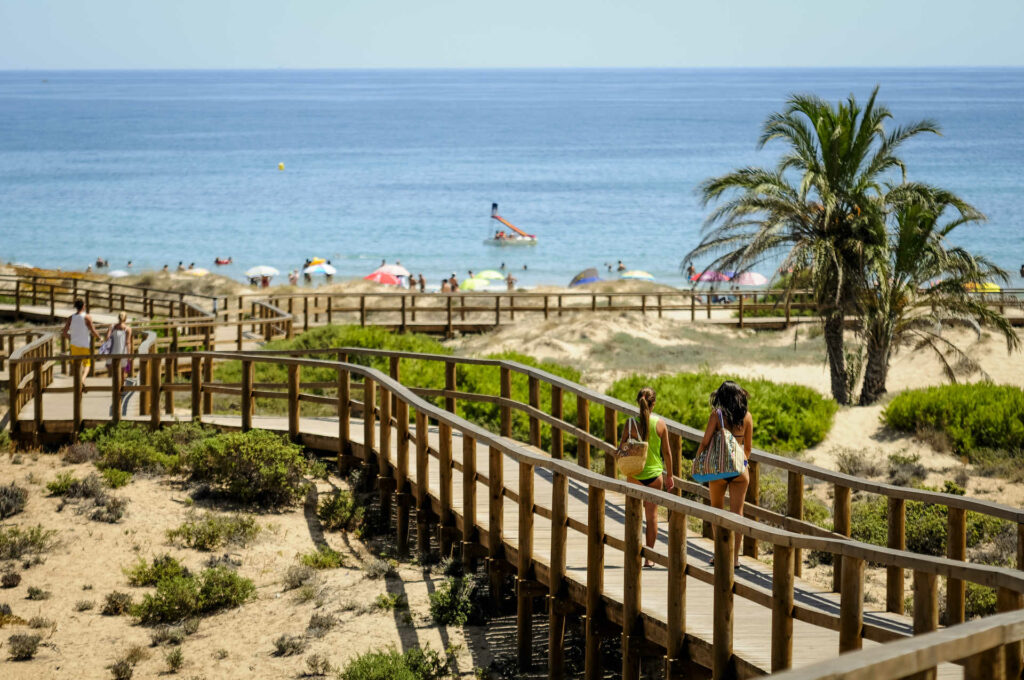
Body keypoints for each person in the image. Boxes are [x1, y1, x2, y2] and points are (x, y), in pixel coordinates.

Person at [695, 381, 753, 568]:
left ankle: (719, 554)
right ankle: (734, 558)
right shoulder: (747, 417)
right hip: (739, 471)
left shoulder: (717, 415)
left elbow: (705, 442)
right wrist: (740, 463)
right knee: (738, 514)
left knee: (717, 511)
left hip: (719, 470)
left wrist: (698, 461)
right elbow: (748, 448)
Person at [618, 386, 674, 568]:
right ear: (654, 404)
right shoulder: (660, 424)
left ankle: (634, 553)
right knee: (652, 517)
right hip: (654, 476)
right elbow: (667, 452)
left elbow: (621, 449)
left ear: (638, 402)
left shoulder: (630, 424)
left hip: (635, 474)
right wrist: (670, 476)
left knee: (634, 515)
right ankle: (649, 558)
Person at [63, 299, 100, 382]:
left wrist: (72, 337)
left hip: (74, 344)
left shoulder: (70, 318)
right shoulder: (87, 317)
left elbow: (64, 333)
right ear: (83, 306)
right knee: (87, 364)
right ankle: (82, 379)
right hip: (84, 344)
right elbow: (93, 331)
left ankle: (78, 382)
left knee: (77, 364)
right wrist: (99, 337)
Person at [104, 311, 133, 390]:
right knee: (123, 371)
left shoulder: (113, 327)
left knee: (114, 370)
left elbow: (107, 338)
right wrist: (129, 354)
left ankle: (116, 387)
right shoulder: (128, 329)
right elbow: (128, 342)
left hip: (114, 350)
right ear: (125, 319)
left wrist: (109, 329)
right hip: (123, 351)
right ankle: (121, 388)